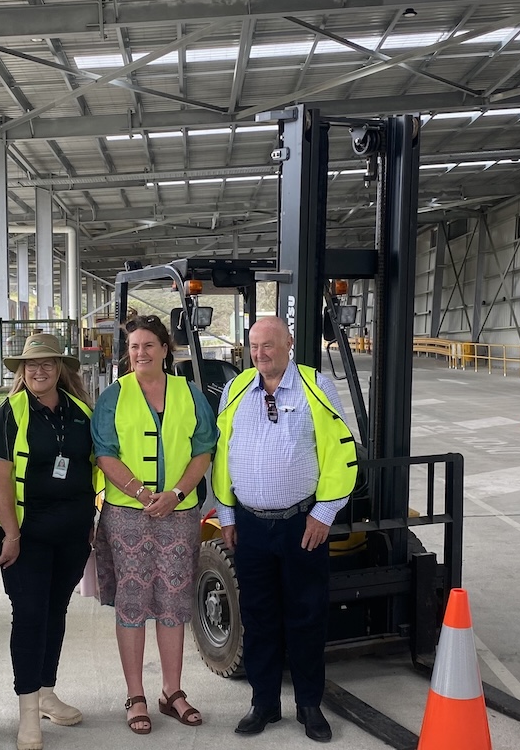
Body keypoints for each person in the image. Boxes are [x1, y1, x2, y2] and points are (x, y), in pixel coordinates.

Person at [212, 316, 357, 743]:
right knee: (258, 617)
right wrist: (227, 514)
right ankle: (264, 703)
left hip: (301, 525)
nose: (261, 354)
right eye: (254, 346)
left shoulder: (315, 386)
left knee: (307, 615)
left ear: (289, 343)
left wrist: (325, 512)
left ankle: (309, 705)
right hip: (251, 525)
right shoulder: (237, 389)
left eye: (269, 345)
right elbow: (222, 453)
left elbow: (340, 452)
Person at [90, 314, 217, 735]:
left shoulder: (189, 393)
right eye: (133, 347)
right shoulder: (113, 395)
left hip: (179, 513)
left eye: (148, 345)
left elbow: (203, 450)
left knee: (173, 601)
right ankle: (135, 694)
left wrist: (176, 494)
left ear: (165, 349)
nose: (140, 353)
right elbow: (105, 453)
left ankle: (172, 692)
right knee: (131, 604)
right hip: (128, 515)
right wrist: (144, 495)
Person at [0, 333, 96, 750]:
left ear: (61, 368)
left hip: (71, 536)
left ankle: (46, 692)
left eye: (47, 363)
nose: (39, 370)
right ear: (21, 371)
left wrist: (90, 521)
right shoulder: (8, 415)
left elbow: (91, 466)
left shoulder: (81, 411)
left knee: (55, 612)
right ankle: (28, 713)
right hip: (25, 538)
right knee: (30, 618)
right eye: (31, 365)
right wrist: (10, 535)